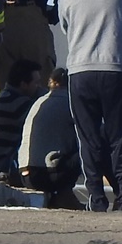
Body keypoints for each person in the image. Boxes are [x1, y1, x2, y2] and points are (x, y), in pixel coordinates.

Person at [60, 0, 122, 212]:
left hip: (81, 69)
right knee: (121, 136)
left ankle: (96, 197)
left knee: (88, 137)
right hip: (115, 67)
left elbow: (65, 25)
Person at [20, 68, 83, 209]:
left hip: (25, 174)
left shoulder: (39, 101)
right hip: (47, 175)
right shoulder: (71, 103)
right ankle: (66, 195)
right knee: (90, 145)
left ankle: (61, 197)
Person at [0, 58, 43, 183]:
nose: (39, 87)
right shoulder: (18, 104)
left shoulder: (6, 98)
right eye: (36, 83)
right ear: (23, 84)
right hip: (3, 168)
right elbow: (42, 124)